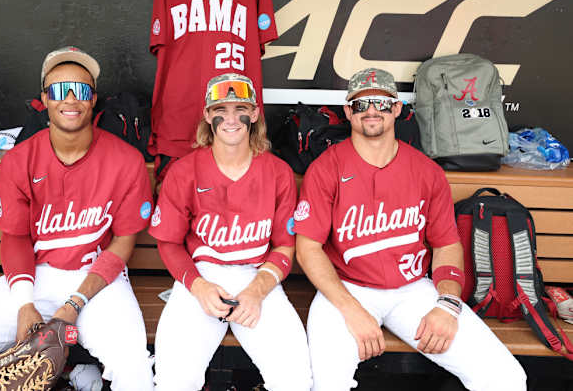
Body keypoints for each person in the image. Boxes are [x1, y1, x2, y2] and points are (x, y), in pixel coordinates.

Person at [0, 46, 155, 391]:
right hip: (33, 277)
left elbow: (123, 242)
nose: (70, 99)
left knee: (134, 371)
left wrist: (73, 305)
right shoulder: (20, 160)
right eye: (59, 90)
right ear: (45, 100)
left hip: (98, 284)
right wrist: (24, 304)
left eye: (81, 90)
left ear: (93, 100)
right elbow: (15, 238)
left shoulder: (126, 160)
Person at [294, 68, 527, 391]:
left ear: (397, 109)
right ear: (348, 112)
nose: (372, 111)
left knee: (506, 378)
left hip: (413, 289)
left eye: (382, 103)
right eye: (361, 104)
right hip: (347, 289)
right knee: (328, 384)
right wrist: (352, 311)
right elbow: (307, 248)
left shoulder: (426, 171)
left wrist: (447, 304)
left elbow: (446, 244)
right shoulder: (326, 168)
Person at [150, 73, 312, 391]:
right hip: (201, 275)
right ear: (208, 115)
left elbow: (283, 246)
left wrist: (257, 291)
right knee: (174, 381)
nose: (231, 118)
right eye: (220, 109)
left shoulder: (277, 172)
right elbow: (168, 243)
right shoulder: (184, 171)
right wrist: (197, 286)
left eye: (241, 108)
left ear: (254, 114)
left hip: (258, 275)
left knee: (294, 380)